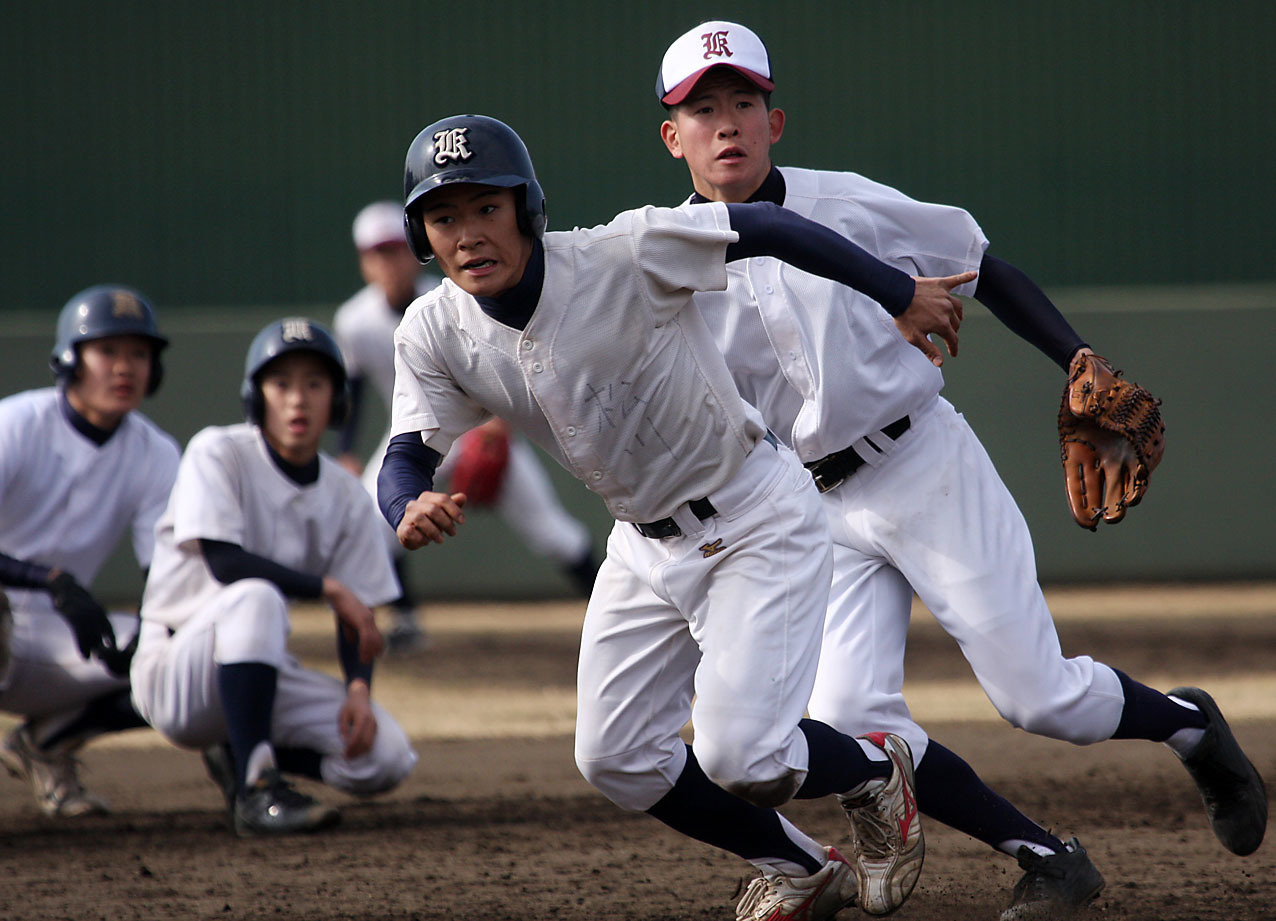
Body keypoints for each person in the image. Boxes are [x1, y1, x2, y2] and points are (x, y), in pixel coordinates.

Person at [652, 19, 1267, 920]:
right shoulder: (667, 259)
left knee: (1040, 695)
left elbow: (982, 267)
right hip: (814, 509)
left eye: (743, 101)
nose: (727, 123)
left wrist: (1076, 356)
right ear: (674, 137)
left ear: (774, 120)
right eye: (703, 110)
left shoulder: (847, 203)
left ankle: (1190, 725)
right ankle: (1050, 857)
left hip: (920, 464)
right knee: (865, 725)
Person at [379, 113, 981, 919]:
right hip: (641, 544)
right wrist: (405, 502)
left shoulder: (623, 252)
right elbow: (405, 451)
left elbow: (767, 226)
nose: (467, 234)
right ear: (422, 234)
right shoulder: (433, 327)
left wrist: (898, 289)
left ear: (526, 209)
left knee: (745, 755)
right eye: (443, 217)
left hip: (754, 515)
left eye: (487, 208)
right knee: (617, 756)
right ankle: (802, 866)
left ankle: (876, 770)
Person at [130, 318, 416, 836]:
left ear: (338, 399)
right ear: (256, 395)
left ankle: (239, 747)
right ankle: (257, 788)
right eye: (281, 384)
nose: (297, 400)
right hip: (176, 669)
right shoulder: (217, 451)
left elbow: (361, 611)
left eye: (315, 384)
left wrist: (358, 688)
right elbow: (225, 563)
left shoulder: (347, 494)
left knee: (384, 757)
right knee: (254, 596)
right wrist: (328, 588)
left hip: (255, 671)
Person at [334, 202, 600, 652]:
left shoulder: (452, 297)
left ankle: (609, 608)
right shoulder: (354, 322)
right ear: (364, 262)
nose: (388, 262)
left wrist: (498, 425)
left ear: (413, 250)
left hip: (482, 427)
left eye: (395, 250)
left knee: (553, 534)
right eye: (377, 253)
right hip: (414, 433)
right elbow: (353, 390)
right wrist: (346, 447)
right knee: (375, 522)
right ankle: (405, 618)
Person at [0, 285, 180, 817]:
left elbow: (164, 568)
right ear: (70, 359)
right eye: (108, 351)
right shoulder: (17, 423)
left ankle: (48, 744)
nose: (124, 368)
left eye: (139, 354)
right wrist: (49, 579)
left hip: (65, 635)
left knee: (179, 650)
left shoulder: (154, 450)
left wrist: (154, 625)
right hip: (5, 619)